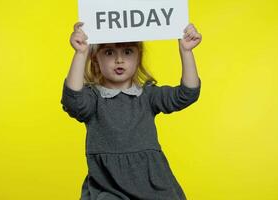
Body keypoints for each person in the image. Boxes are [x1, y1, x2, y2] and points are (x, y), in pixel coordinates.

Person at [61, 21, 202, 200]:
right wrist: (81, 53)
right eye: (109, 52)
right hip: (107, 185)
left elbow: (187, 94)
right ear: (95, 57)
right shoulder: (93, 99)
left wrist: (186, 51)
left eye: (127, 52)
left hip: (152, 185)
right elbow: (73, 101)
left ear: (138, 56)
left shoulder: (148, 95)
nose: (119, 59)